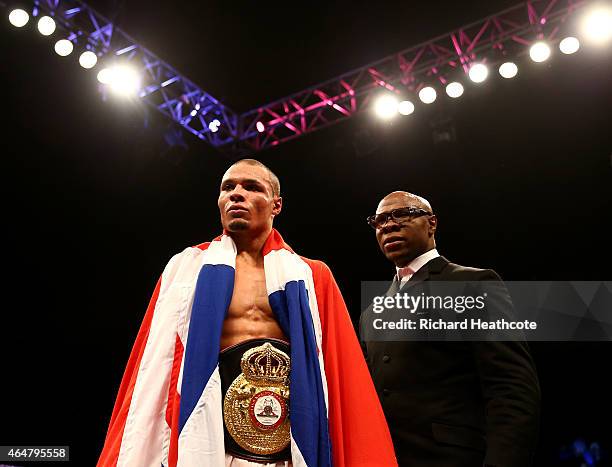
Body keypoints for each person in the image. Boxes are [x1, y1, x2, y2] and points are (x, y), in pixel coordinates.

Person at [97, 159, 396, 467]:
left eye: (252, 187)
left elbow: (339, 371)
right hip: (211, 444)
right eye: (228, 187)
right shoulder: (186, 270)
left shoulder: (311, 275)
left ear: (276, 205)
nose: (236, 194)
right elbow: (154, 366)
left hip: (287, 449)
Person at [360, 191, 540, 467]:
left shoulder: (471, 284)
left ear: (431, 223)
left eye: (402, 214)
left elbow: (511, 386)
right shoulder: (371, 314)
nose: (389, 225)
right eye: (380, 220)